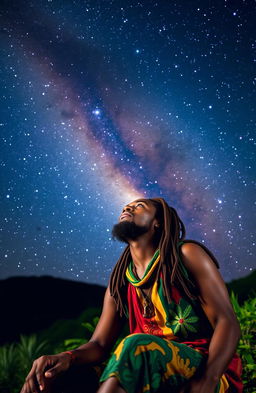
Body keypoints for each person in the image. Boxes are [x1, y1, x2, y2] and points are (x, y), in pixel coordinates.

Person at [20, 197, 243, 393]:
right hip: (144, 366)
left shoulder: (186, 254)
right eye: (126, 206)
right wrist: (66, 358)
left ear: (158, 222)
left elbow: (227, 322)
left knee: (137, 345)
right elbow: (99, 345)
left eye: (139, 206)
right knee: (52, 377)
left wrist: (206, 380)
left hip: (206, 369)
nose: (128, 208)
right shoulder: (120, 282)